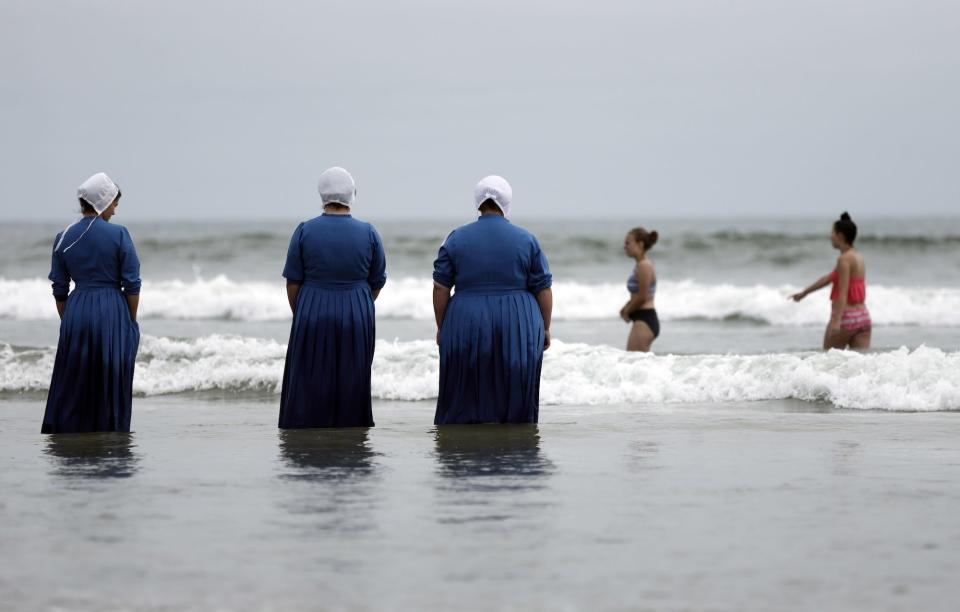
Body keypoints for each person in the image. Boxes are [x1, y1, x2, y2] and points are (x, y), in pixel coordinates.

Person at [432, 176, 552, 424]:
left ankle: (464, 447)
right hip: (519, 319)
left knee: (464, 390)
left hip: (465, 318)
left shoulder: (455, 238)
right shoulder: (527, 239)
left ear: (478, 202)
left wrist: (443, 326)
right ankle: (515, 441)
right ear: (507, 201)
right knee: (515, 388)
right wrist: (546, 327)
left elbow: (441, 287)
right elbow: (543, 288)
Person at [279, 167, 387, 428]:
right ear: (352, 194)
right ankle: (351, 429)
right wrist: (359, 305)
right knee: (353, 377)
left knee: (309, 376)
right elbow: (377, 280)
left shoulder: (304, 231)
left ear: (322, 195)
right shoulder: (369, 232)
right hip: (357, 311)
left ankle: (307, 428)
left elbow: (293, 282)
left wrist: (305, 311)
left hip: (312, 309)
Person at [42, 172, 141, 433]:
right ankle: (109, 430)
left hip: (76, 309)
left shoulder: (63, 237)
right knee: (110, 377)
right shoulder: (119, 234)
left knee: (76, 378)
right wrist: (130, 321)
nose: (115, 212)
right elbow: (132, 284)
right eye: (114, 204)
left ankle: (72, 433)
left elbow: (60, 288)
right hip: (112, 310)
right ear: (102, 202)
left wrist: (71, 320)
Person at [791, 212, 870, 350]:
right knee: (860, 365)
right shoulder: (858, 257)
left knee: (828, 362)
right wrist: (805, 292)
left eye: (832, 232)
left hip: (846, 318)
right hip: (863, 318)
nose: (830, 236)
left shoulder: (844, 260)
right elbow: (829, 278)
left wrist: (836, 321)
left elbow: (843, 292)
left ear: (840, 235)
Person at [619, 227, 659, 352]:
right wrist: (625, 307)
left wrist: (627, 311)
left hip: (645, 319)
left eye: (628, 243)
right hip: (640, 318)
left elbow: (643, 296)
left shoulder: (644, 266)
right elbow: (637, 294)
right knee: (637, 364)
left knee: (633, 362)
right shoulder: (640, 265)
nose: (624, 246)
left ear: (640, 244)